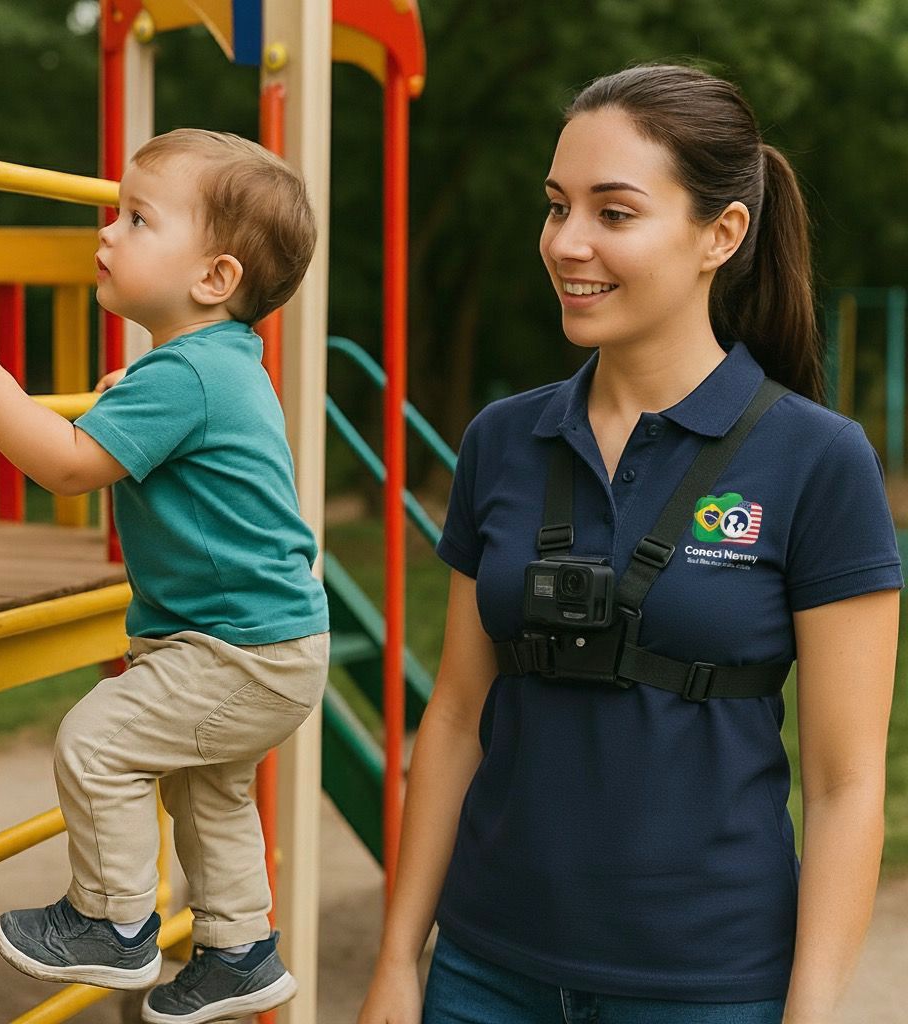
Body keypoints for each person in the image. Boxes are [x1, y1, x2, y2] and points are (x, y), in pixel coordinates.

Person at [358, 64, 903, 1024]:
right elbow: (454, 716)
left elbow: (847, 782)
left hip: (709, 987)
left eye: (614, 213)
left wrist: (811, 1011)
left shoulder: (820, 461)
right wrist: (399, 961)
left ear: (720, 235)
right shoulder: (500, 439)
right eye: (556, 206)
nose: (567, 242)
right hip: (484, 973)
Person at [0, 128, 330, 1023]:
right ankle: (240, 950)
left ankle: (111, 922)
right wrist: (128, 393)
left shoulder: (184, 377)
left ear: (214, 277)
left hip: (232, 651)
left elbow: (67, 465)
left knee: (97, 743)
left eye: (138, 219)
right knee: (207, 790)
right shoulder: (212, 364)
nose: (107, 231)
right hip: (269, 645)